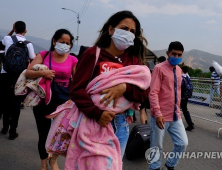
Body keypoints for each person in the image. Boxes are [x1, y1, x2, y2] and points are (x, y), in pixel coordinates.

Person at [69, 10, 150, 159]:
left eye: (132, 31)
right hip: (94, 122)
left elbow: (145, 94)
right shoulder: (93, 54)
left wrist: (125, 88)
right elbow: (76, 90)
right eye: (125, 29)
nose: (129, 33)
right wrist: (97, 114)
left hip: (121, 125)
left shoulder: (134, 61)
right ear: (111, 29)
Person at [25, 29, 78, 170]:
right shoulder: (44, 55)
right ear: (54, 41)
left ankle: (53, 160)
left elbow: (79, 82)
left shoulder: (73, 60)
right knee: (43, 134)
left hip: (64, 104)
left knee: (62, 135)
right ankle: (43, 164)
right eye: (62, 42)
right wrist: (44, 73)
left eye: (68, 43)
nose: (65, 45)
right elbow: (28, 72)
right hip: (43, 101)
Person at [149, 41, 188, 170]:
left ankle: (169, 165)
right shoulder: (159, 68)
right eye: (174, 54)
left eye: (179, 55)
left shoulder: (179, 70)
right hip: (160, 116)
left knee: (182, 143)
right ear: (168, 53)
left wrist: (178, 110)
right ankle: (154, 167)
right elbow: (153, 92)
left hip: (175, 115)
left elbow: (177, 92)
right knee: (156, 146)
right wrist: (158, 113)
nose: (176, 57)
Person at [0, 21, 35, 139]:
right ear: (25, 30)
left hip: (5, 74)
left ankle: (4, 127)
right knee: (15, 103)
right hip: (19, 77)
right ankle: (12, 131)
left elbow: (6, 39)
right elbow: (32, 58)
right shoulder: (28, 44)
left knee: (5, 101)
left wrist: (12, 31)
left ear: (14, 29)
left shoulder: (7, 38)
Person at [181, 66, 194, 131]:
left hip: (181, 96)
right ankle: (190, 123)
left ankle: (190, 124)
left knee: (182, 109)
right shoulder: (187, 76)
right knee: (185, 109)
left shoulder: (181, 77)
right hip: (186, 96)